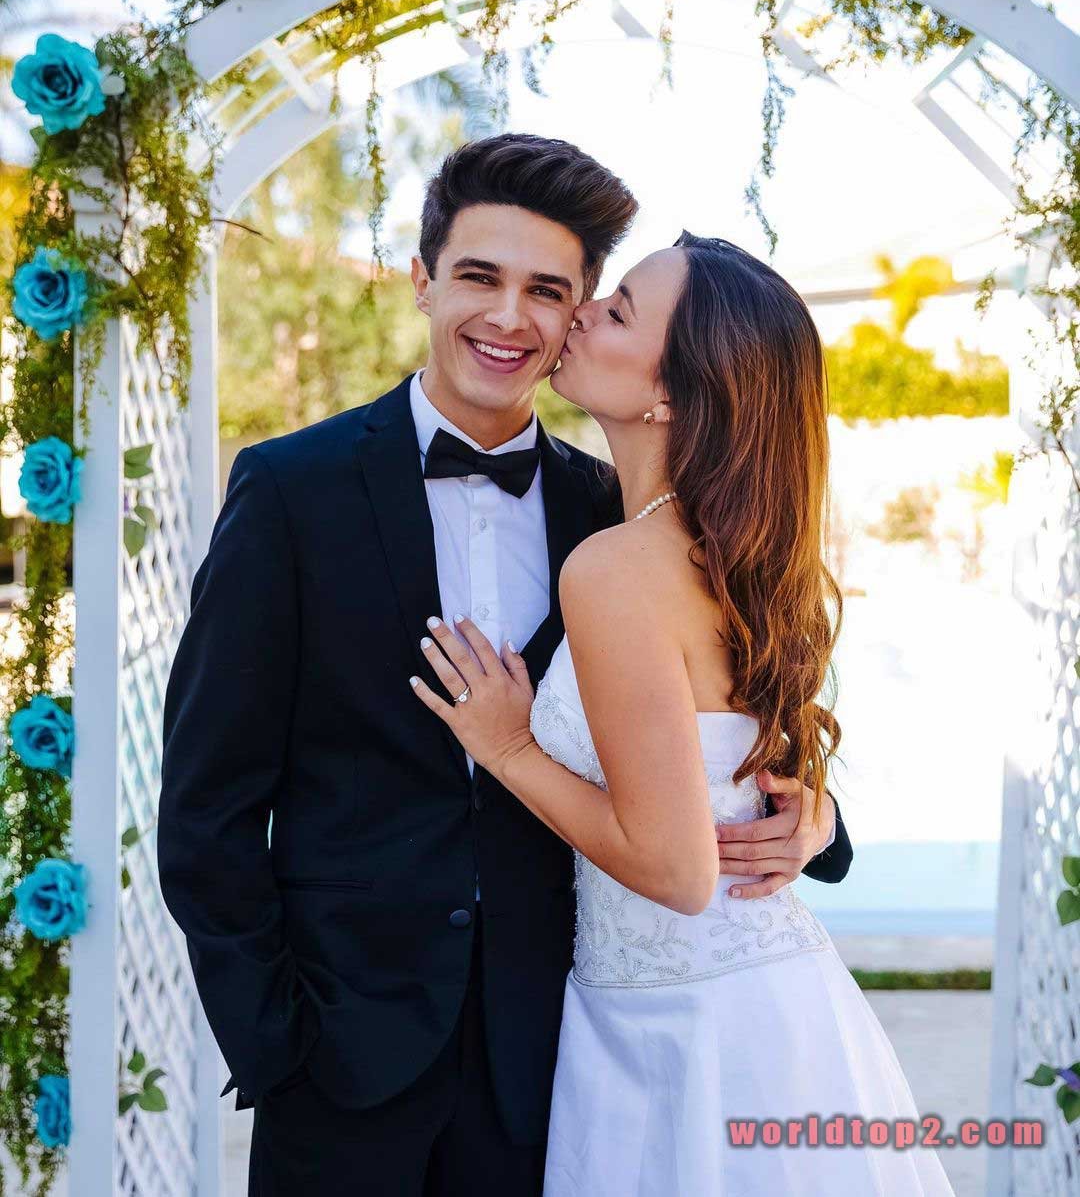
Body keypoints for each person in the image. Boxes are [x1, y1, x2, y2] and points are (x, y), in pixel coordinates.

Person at [157, 137, 852, 1197]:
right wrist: (275, 1042)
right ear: (423, 280)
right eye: (479, 277)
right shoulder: (290, 491)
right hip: (339, 1060)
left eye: (549, 292)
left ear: (577, 314)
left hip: (558, 1064)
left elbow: (738, 727)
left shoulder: (618, 518)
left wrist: (819, 821)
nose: (509, 316)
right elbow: (206, 803)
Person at [410, 232, 952, 1194]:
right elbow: (729, 762)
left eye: (617, 310)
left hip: (693, 1036)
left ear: (675, 392)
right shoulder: (727, 549)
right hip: (757, 1004)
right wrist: (809, 812)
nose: (579, 312)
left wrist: (510, 746)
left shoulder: (619, 566)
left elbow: (677, 870)